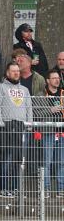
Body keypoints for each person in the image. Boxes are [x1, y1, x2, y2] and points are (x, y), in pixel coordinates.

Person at [0, 62, 32, 199]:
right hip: (7, 126)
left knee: (18, 160)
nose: (16, 73)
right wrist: (0, 123)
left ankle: (16, 188)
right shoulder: (1, 87)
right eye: (13, 71)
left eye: (18, 71)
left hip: (22, 127)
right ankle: (4, 189)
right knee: (7, 159)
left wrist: (29, 124)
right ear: (7, 73)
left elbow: (29, 108)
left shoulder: (25, 90)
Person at [34, 70, 64, 198]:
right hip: (48, 132)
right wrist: (50, 110)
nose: (57, 80)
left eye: (58, 78)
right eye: (54, 78)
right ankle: (45, 189)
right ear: (47, 80)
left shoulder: (63, 94)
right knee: (46, 161)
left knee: (61, 162)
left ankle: (61, 189)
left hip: (62, 133)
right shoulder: (41, 95)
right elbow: (36, 114)